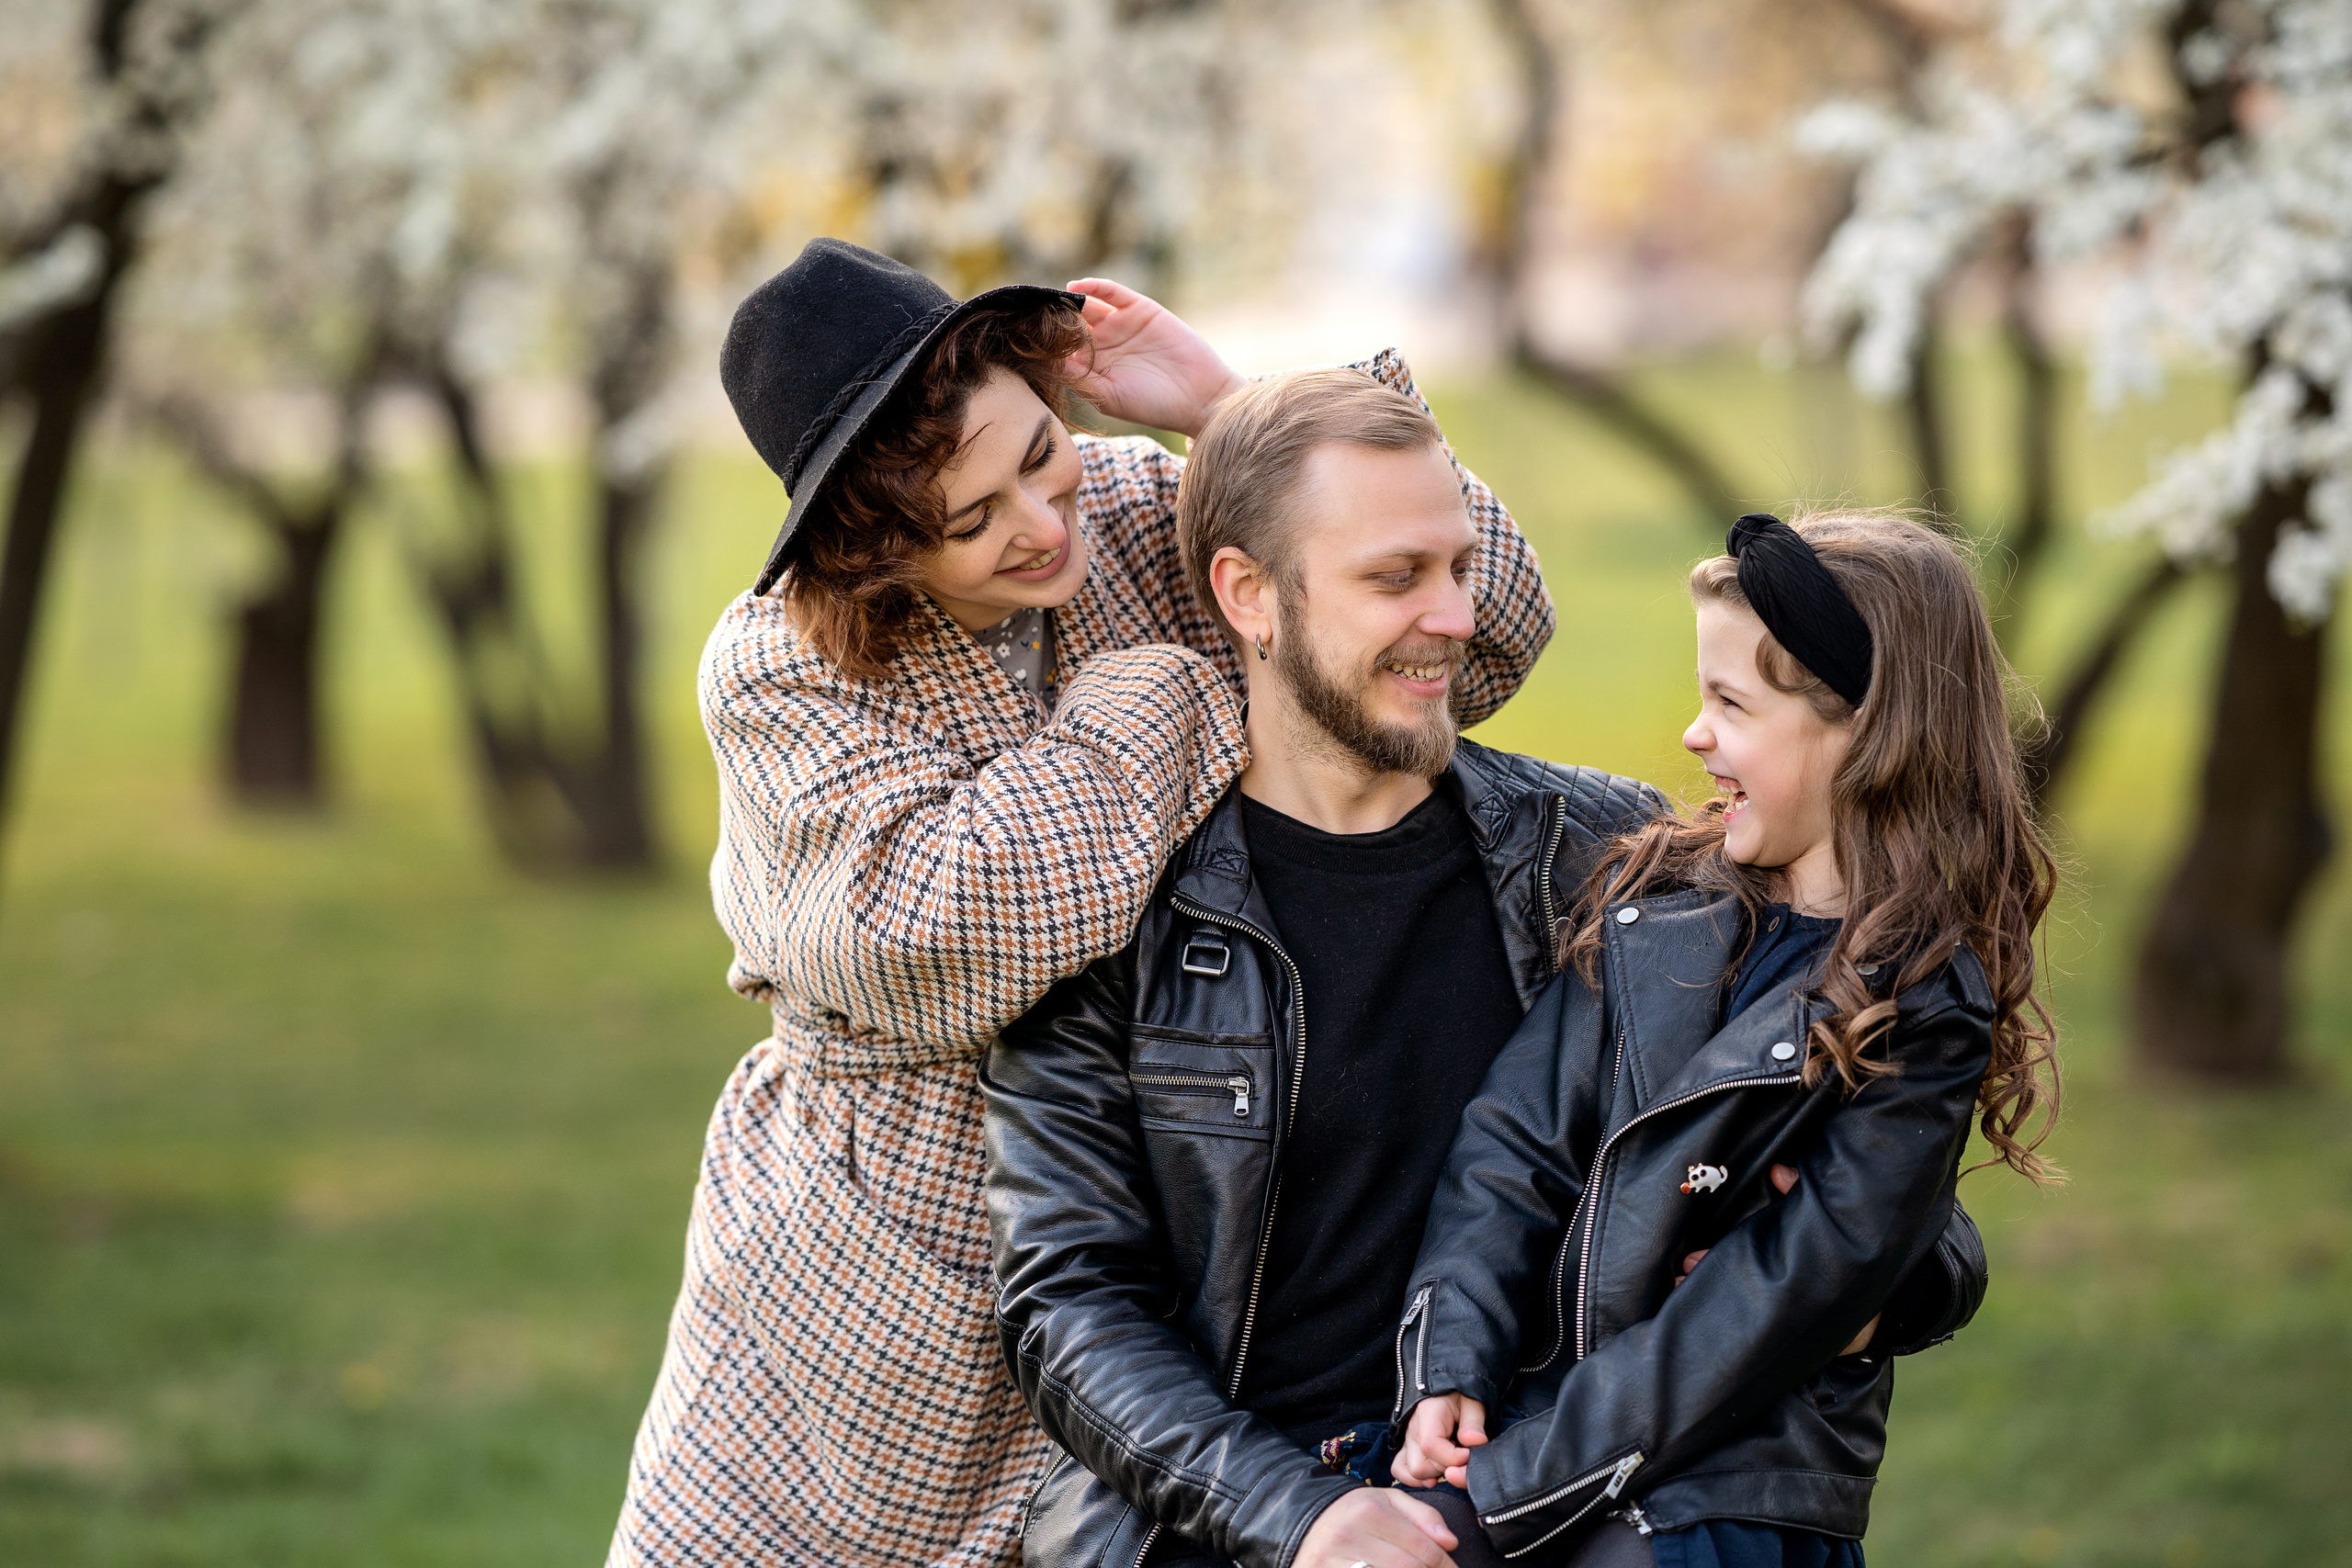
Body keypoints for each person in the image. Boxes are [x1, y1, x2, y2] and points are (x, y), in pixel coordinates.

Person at [607, 240, 1558, 1568]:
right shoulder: (781, 667)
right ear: (872, 549)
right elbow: (939, 930)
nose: (1042, 524)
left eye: (1037, 453)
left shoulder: (1129, 506)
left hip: (1182, 1233)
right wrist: (1173, 696)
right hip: (896, 1270)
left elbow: (1484, 625)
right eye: (969, 518)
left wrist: (1236, 418)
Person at [983, 388, 1991, 1568]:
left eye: (1461, 565)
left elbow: (1875, 1160)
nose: (1457, 617)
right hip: (1243, 1521)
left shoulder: (1600, 856)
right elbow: (1068, 1305)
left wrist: (1882, 1290)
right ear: (1248, 596)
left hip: (1542, 1500)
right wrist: (1305, 1520)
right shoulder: (1108, 909)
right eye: (1396, 576)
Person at [1388, 511, 2059, 1567]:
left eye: (1729, 705)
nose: (1694, 735)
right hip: (1548, 1448)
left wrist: (1501, 1496)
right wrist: (1450, 1365)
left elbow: (1756, 1319)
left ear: (1864, 733)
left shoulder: (1921, 1012)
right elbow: (1511, 1148)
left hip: (1729, 1500)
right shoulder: (1659, 904)